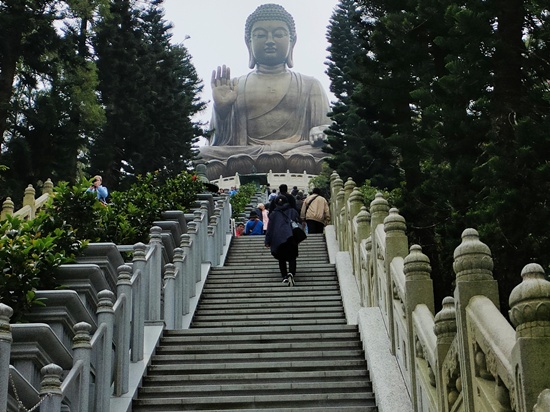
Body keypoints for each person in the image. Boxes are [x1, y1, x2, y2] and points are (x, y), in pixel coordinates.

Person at [199, 3, 331, 175]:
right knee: (201, 155)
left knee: (331, 155)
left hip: (297, 152)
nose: (270, 41)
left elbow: (327, 131)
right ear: (249, 42)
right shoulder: (236, 86)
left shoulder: (310, 84)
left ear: (292, 41)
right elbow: (218, 142)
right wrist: (222, 110)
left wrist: (320, 131)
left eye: (278, 34)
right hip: (246, 154)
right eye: (261, 35)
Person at [265, 195, 300, 286]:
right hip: (291, 237)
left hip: (278, 239)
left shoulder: (273, 214)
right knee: (292, 257)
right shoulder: (293, 211)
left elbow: (270, 228)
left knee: (281, 259)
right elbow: (297, 221)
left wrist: (267, 241)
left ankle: (284, 276)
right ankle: (291, 273)